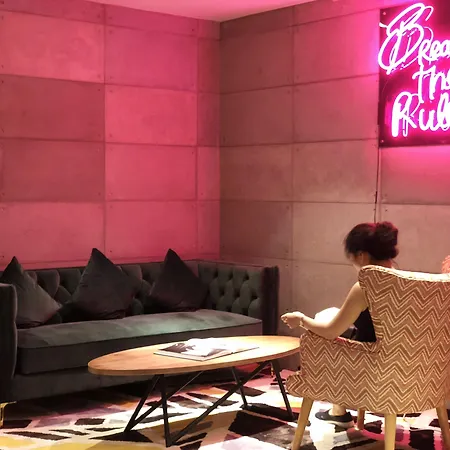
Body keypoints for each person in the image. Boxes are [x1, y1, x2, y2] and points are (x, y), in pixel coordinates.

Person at [281, 221, 399, 428]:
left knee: (320, 335)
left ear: (361, 256)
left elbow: (330, 332)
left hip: (370, 369)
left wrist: (300, 320)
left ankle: (338, 411)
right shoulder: (411, 283)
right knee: (341, 327)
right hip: (407, 369)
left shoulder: (365, 286)